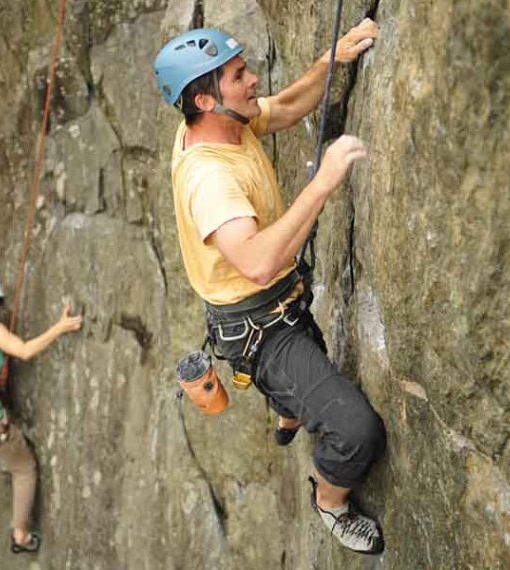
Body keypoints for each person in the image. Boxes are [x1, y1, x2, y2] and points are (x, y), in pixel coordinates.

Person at [154, 20, 387, 555]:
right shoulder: (209, 181)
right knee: (355, 430)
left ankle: (288, 411)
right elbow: (258, 263)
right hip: (261, 329)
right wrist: (324, 181)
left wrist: (331, 62)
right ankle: (329, 503)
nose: (254, 79)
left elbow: (278, 109)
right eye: (240, 76)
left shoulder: (219, 123)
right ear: (206, 98)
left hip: (277, 307)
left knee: (313, 366)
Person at [0, 275, 82, 553]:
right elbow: (24, 351)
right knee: (24, 468)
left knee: (6, 452)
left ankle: (2, 458)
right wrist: (60, 327)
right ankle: (20, 536)